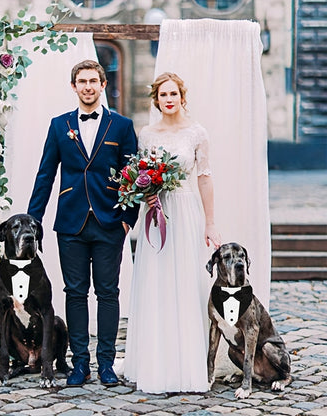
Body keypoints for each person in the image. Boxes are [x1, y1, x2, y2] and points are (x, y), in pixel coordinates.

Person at [27, 60, 139, 387]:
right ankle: (80, 365)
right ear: (74, 87)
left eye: (94, 81)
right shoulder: (59, 126)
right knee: (74, 294)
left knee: (108, 293)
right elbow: (45, 175)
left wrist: (127, 222)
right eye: (82, 81)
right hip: (71, 225)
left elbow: (133, 176)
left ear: (103, 85)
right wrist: (34, 222)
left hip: (109, 223)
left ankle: (105, 363)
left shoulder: (121, 126)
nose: (88, 86)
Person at [124, 72, 221, 393]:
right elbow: (139, 174)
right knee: (157, 282)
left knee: (185, 281)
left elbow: (204, 177)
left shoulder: (197, 133)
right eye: (163, 95)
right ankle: (155, 360)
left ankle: (187, 364)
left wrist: (210, 222)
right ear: (156, 99)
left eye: (173, 94)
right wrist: (146, 193)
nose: (168, 99)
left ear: (182, 97)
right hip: (157, 212)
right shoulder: (147, 134)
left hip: (186, 211)